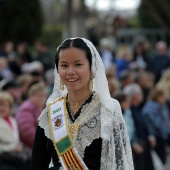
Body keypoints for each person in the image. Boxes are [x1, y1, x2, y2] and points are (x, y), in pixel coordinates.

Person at [30, 38, 134, 170]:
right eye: (64, 65)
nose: (70, 71)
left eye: (78, 65)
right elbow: (37, 165)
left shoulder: (108, 110)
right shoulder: (50, 113)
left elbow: (120, 163)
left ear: (92, 67)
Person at [0, 91, 26, 170]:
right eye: (0, 105)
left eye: (5, 105)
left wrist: (19, 146)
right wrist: (12, 148)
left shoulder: (12, 120)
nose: (2, 108)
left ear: (10, 107)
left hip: (13, 157)